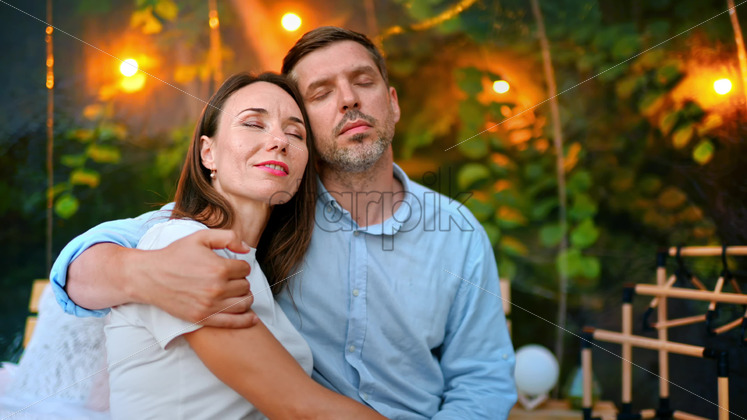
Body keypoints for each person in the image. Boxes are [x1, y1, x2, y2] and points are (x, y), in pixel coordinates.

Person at [51, 27, 517, 419]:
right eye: (321, 93)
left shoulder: (456, 230)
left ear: (392, 103)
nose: (349, 100)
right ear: (308, 128)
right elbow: (91, 263)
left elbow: (481, 379)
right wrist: (143, 273)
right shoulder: (267, 208)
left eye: (363, 81)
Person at [105, 72, 383, 419]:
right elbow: (300, 407)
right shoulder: (180, 245)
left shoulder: (256, 270)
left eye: (296, 133)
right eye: (253, 123)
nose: (280, 140)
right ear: (208, 153)